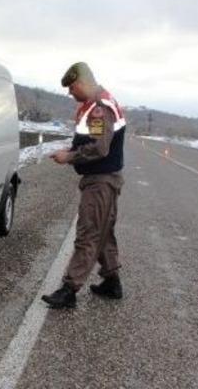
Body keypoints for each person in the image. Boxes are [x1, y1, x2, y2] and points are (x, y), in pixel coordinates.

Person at [41, 62, 126, 309]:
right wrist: (71, 149)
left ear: (80, 83)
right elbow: (90, 140)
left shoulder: (99, 108)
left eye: (71, 88)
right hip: (103, 179)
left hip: (101, 181)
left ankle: (69, 290)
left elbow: (100, 147)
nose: (70, 93)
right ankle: (112, 281)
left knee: (88, 233)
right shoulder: (95, 104)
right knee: (103, 231)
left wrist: (69, 156)